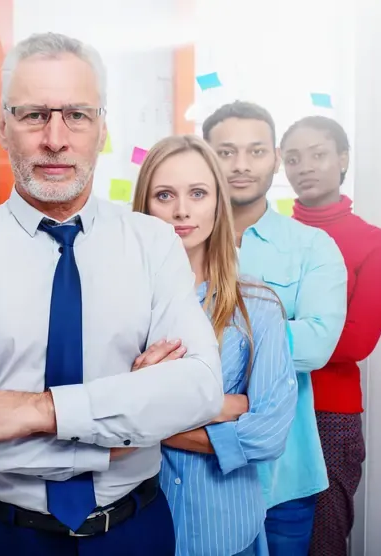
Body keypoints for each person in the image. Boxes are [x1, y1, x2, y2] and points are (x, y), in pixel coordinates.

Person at [0, 32, 223, 556]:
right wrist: (126, 429)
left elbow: (198, 390)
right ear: (3, 126)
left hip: (134, 532)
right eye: (34, 114)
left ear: (102, 126)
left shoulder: (153, 244)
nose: (55, 138)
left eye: (77, 115)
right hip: (0, 535)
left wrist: (31, 411)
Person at [132, 134, 297, 556]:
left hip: (225, 530)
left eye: (198, 193)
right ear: (144, 206)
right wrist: (218, 404)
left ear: (218, 204)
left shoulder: (256, 306)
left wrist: (151, 414)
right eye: (164, 194)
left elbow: (268, 433)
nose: (182, 210)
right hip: (138, 525)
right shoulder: (117, 306)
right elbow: (98, 426)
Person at [202, 101, 348, 555]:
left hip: (285, 477)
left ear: (275, 158)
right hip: (193, 469)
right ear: (205, 157)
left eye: (256, 151)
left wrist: (208, 342)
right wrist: (268, 336)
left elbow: (317, 345)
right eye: (225, 152)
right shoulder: (176, 240)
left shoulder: (311, 246)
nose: (241, 165)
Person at [280, 116, 381, 556]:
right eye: (292, 158)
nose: (304, 166)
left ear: (343, 159)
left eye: (318, 154)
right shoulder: (267, 236)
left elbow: (355, 342)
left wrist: (259, 337)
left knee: (321, 541)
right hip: (262, 405)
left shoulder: (373, 243)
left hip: (328, 413)